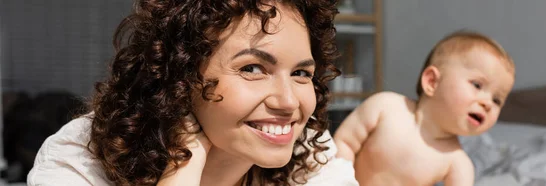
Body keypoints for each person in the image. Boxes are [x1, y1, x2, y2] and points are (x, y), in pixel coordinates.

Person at [27, 0, 358, 185]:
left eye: (301, 73)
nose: (288, 103)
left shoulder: (308, 153)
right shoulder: (78, 160)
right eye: (252, 69)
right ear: (179, 74)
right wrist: (181, 172)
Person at [334, 30, 515, 186]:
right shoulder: (385, 107)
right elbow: (344, 142)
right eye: (477, 85)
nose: (488, 103)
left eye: (497, 100)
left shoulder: (458, 163)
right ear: (432, 81)